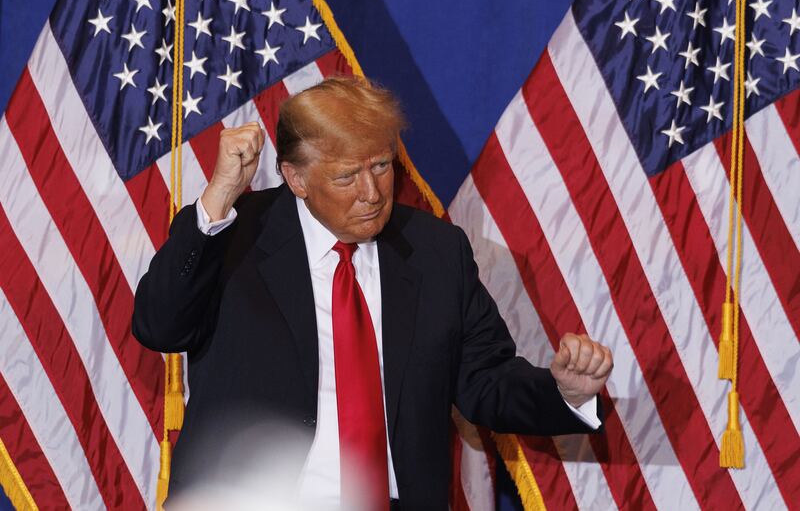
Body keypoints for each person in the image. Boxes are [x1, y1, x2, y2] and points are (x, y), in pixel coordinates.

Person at [132, 77, 613, 510]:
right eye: (346, 176)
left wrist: (565, 393)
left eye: (381, 165)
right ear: (296, 178)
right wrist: (218, 196)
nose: (372, 192)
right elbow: (160, 327)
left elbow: (485, 379)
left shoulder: (435, 251)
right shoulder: (232, 236)